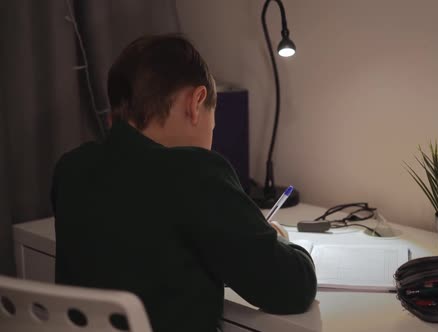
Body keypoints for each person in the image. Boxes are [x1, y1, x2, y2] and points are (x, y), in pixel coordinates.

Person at [51, 34, 317, 332]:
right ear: (196, 102)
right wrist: (278, 239)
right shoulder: (195, 171)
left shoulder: (71, 168)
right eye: (212, 122)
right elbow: (291, 288)